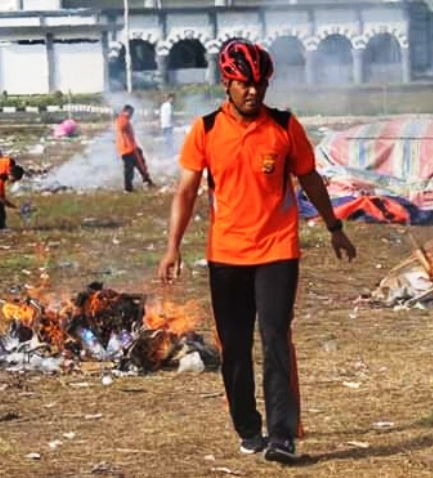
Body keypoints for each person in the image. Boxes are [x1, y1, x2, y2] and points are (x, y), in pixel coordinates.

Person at [157, 38, 357, 465]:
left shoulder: (284, 127)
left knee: (275, 337)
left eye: (260, 84)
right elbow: (187, 192)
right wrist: (172, 247)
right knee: (233, 344)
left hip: (277, 250)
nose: (253, 91)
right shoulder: (206, 130)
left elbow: (310, 179)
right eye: (245, 84)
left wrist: (335, 226)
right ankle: (249, 427)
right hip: (226, 255)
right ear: (226, 82)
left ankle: (283, 434)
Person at [114, 104, 155, 192]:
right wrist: (124, 116)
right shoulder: (122, 119)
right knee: (131, 169)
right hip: (127, 149)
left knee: (140, 165)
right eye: (131, 113)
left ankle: (146, 181)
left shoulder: (124, 119)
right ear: (127, 111)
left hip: (130, 148)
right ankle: (129, 188)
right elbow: (121, 127)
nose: (132, 115)